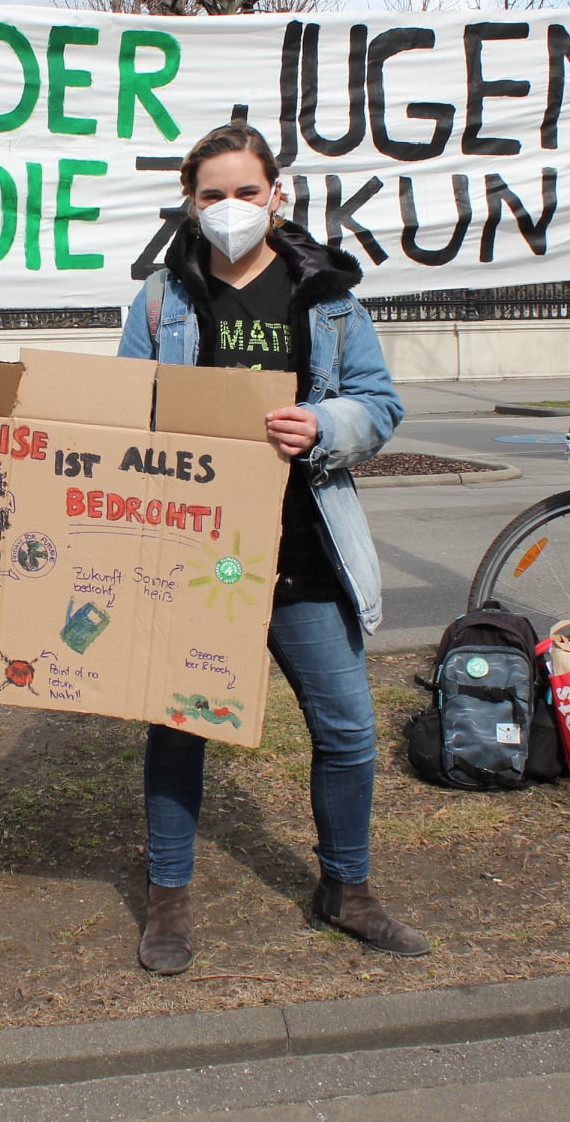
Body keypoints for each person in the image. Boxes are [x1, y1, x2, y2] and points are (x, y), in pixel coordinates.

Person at [117, 122, 429, 974]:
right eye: (211, 194)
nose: (229, 209)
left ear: (277, 195)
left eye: (245, 192)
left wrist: (324, 424)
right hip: (195, 553)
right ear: (190, 201)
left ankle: (348, 890)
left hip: (300, 546)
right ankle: (170, 901)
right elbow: (120, 412)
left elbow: (380, 403)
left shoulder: (327, 298)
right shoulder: (160, 300)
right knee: (181, 725)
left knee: (348, 727)